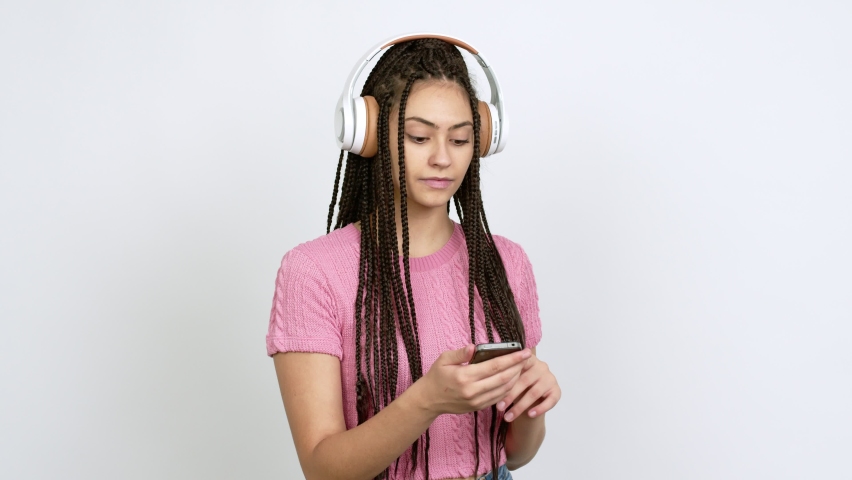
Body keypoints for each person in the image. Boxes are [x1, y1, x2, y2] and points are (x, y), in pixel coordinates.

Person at [267, 35, 561, 480]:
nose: (442, 158)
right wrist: (428, 400)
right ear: (368, 134)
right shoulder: (314, 272)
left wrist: (532, 409)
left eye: (460, 140)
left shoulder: (505, 263)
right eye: (419, 136)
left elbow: (513, 454)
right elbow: (322, 469)